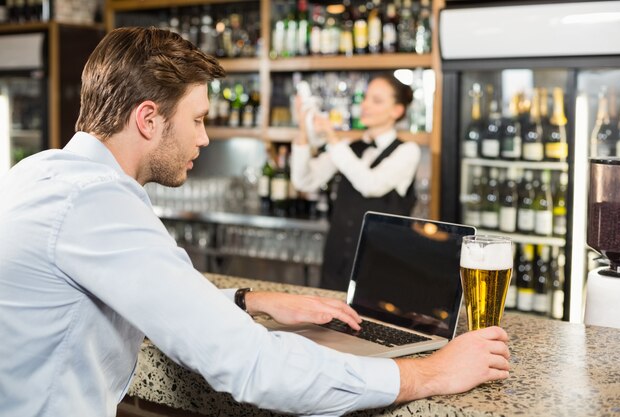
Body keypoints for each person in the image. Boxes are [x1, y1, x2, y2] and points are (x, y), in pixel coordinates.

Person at [0, 27, 510, 417]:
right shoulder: (97, 203)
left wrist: (249, 301)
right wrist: (427, 373)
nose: (204, 139)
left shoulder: (44, 173)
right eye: (197, 119)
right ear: (148, 119)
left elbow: (151, 295)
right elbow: (251, 365)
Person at [291, 74, 421, 291]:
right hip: (335, 266)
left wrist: (332, 138)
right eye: (365, 98)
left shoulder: (407, 152)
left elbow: (370, 184)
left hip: (380, 271)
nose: (365, 105)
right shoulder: (349, 147)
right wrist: (303, 130)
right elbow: (304, 181)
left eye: (376, 100)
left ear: (397, 111)